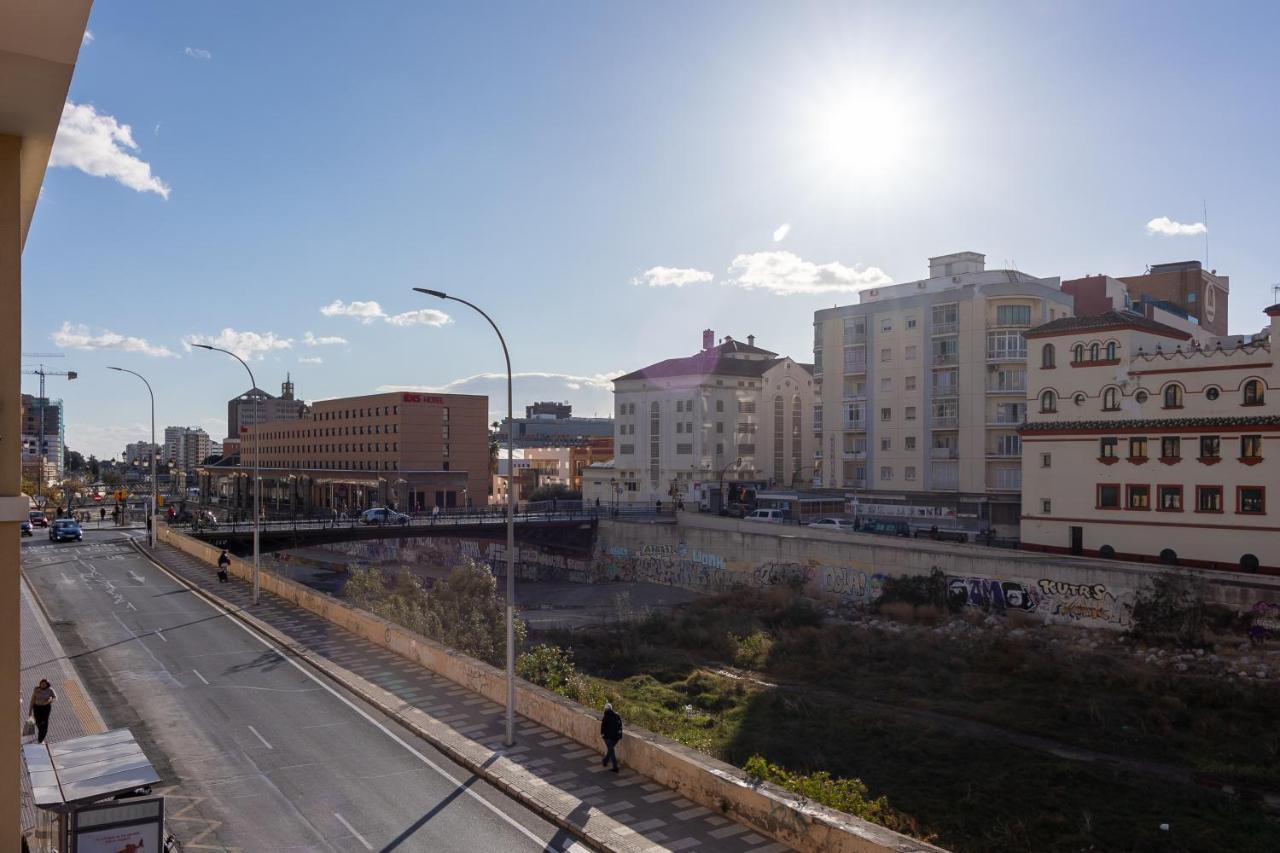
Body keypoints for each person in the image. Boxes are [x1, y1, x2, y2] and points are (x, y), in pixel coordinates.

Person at [29, 679, 56, 744]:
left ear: (47, 685)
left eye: (44, 684)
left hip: (46, 708)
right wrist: (30, 711)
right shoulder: (36, 689)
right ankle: (41, 735)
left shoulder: (50, 690)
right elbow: (32, 700)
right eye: (42, 683)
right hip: (37, 708)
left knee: (44, 724)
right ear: (40, 683)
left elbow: (55, 698)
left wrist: (50, 700)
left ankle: (40, 739)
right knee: (38, 722)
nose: (43, 685)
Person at [600, 702, 623, 772]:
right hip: (616, 737)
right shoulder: (617, 716)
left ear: (605, 709)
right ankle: (605, 761)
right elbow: (620, 726)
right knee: (611, 750)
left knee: (611, 751)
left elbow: (603, 727)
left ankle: (615, 767)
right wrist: (619, 735)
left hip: (608, 738)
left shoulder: (606, 716)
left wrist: (602, 735)